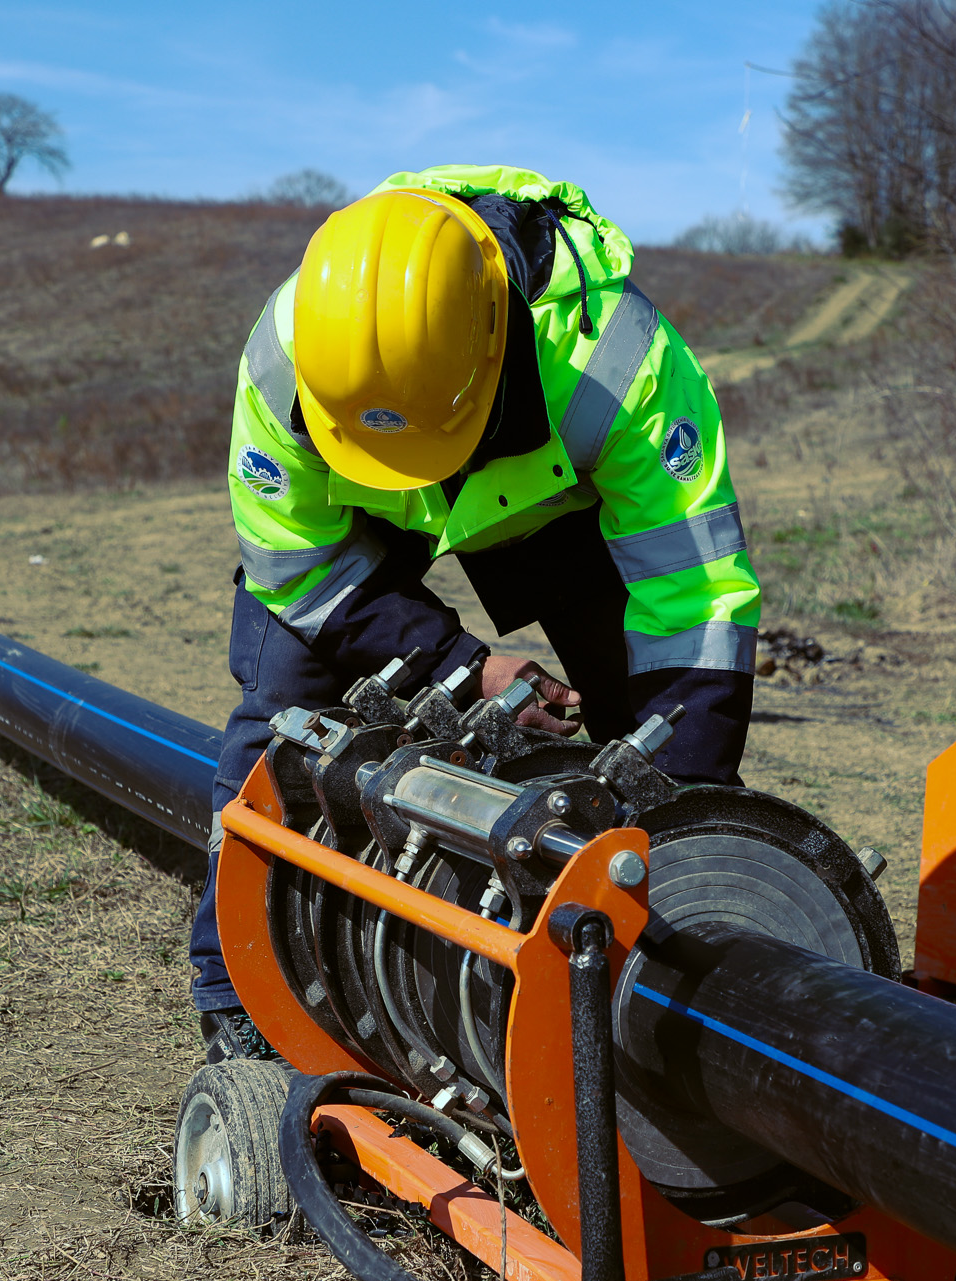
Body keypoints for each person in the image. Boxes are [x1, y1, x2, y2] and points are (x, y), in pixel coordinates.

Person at [194, 164, 762, 1062]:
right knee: (280, 717)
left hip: (553, 507)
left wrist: (684, 814)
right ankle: (236, 992)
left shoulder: (613, 358)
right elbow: (300, 571)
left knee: (650, 733)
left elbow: (693, 596)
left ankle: (658, 978)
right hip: (358, 528)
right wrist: (463, 667)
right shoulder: (286, 362)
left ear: (494, 352)